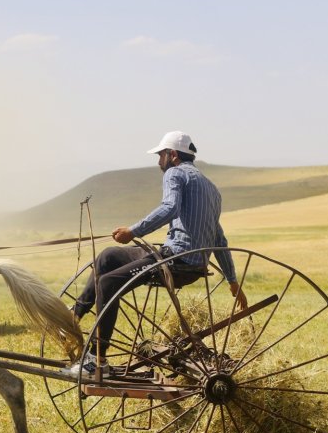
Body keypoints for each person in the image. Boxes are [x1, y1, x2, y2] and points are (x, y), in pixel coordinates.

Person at [65, 130, 247, 377]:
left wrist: (133, 231)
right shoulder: (212, 189)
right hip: (185, 261)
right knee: (108, 256)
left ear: (172, 155)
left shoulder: (175, 173)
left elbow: (170, 208)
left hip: (176, 261)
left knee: (108, 283)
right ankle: (72, 317)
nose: (158, 161)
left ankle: (98, 361)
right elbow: (218, 237)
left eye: (160, 155)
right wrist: (233, 281)